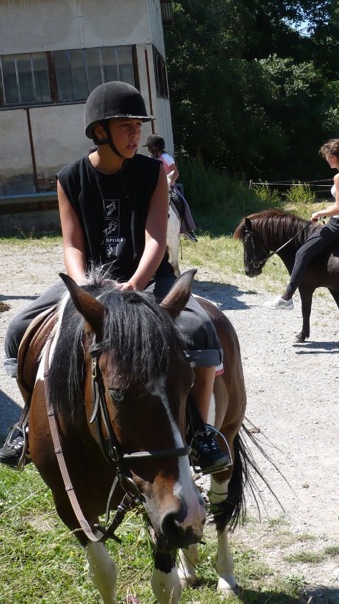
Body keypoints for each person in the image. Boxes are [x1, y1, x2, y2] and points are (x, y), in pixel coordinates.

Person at [0, 81, 230, 474]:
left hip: (147, 276)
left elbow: (156, 235)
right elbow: (72, 244)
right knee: (19, 327)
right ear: (99, 131)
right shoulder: (70, 178)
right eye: (126, 126)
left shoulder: (151, 172)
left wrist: (137, 282)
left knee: (200, 328)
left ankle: (202, 432)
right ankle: (26, 421)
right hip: (91, 280)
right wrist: (83, 288)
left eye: (138, 127)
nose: (135, 134)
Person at [264, 138, 339, 310]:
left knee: (302, 253)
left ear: (332, 156)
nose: (326, 159)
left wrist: (320, 212)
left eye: (326, 156)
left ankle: (286, 299)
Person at [144, 134, 198, 242]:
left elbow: (176, 173)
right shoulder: (151, 159)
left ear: (154, 147)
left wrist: (168, 184)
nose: (149, 149)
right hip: (154, 188)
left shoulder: (166, 158)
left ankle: (188, 230)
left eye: (149, 147)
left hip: (169, 187)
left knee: (182, 203)